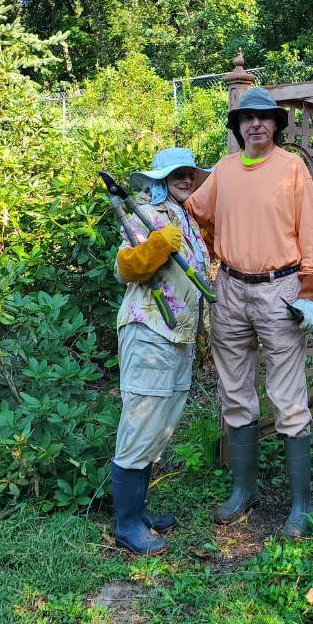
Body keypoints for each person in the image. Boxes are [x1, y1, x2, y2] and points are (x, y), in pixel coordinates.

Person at [186, 87, 313, 540]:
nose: (256, 124)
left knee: (287, 395)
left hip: (279, 289)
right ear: (237, 126)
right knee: (234, 392)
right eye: (247, 118)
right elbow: (194, 212)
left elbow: (311, 234)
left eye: (264, 118)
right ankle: (242, 491)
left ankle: (300, 505)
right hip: (230, 289)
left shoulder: (292, 169)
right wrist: (210, 248)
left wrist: (311, 289)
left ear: (276, 125)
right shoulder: (224, 171)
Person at [110, 147, 210, 555]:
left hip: (178, 335)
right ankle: (127, 525)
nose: (185, 179)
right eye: (176, 174)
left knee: (161, 422)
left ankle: (140, 512)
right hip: (150, 329)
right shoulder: (145, 213)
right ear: (159, 178)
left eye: (189, 172)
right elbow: (124, 268)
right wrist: (154, 247)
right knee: (141, 421)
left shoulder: (185, 217)